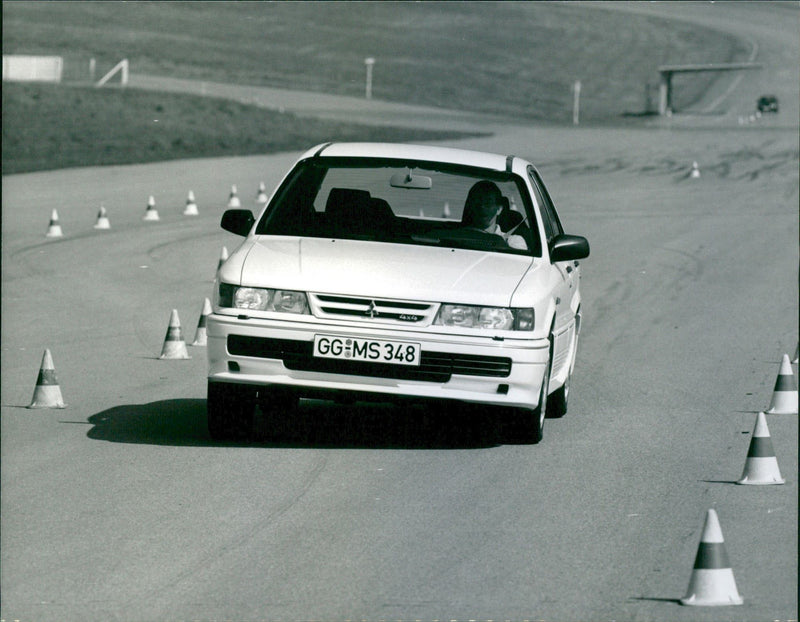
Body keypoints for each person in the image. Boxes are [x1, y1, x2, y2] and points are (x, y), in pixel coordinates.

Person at [458, 180, 528, 250]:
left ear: (499, 209)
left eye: (488, 202)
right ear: (470, 206)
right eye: (478, 201)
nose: (482, 206)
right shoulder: (456, 237)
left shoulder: (513, 241)